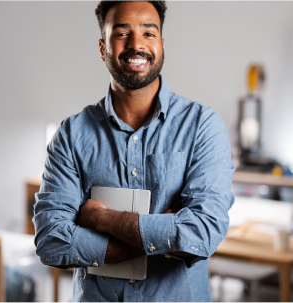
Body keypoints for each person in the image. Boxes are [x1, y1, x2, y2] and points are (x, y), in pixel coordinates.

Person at [33, 0, 235, 302]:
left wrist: (101, 219)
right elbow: (52, 241)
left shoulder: (202, 126)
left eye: (148, 33)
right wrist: (164, 235)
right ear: (103, 48)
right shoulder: (71, 134)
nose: (136, 44)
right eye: (121, 33)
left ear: (162, 45)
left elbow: (202, 233)